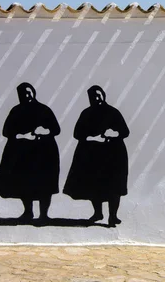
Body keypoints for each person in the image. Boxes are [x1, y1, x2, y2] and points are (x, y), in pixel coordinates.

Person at [0, 82, 61, 221]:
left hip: (44, 153)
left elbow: (56, 129)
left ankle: (44, 215)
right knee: (25, 184)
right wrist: (22, 135)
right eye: (23, 93)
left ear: (34, 92)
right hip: (23, 154)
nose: (27, 95)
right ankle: (28, 212)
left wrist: (44, 131)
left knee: (44, 184)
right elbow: (6, 131)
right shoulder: (16, 111)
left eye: (29, 92)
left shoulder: (44, 110)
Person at [63, 85, 130, 227]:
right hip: (93, 157)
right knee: (95, 187)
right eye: (94, 96)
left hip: (113, 156)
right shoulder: (86, 113)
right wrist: (93, 138)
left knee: (114, 187)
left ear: (104, 95)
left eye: (99, 95)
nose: (97, 98)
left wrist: (115, 133)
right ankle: (98, 213)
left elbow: (125, 131)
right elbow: (77, 133)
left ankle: (113, 216)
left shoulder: (113, 112)